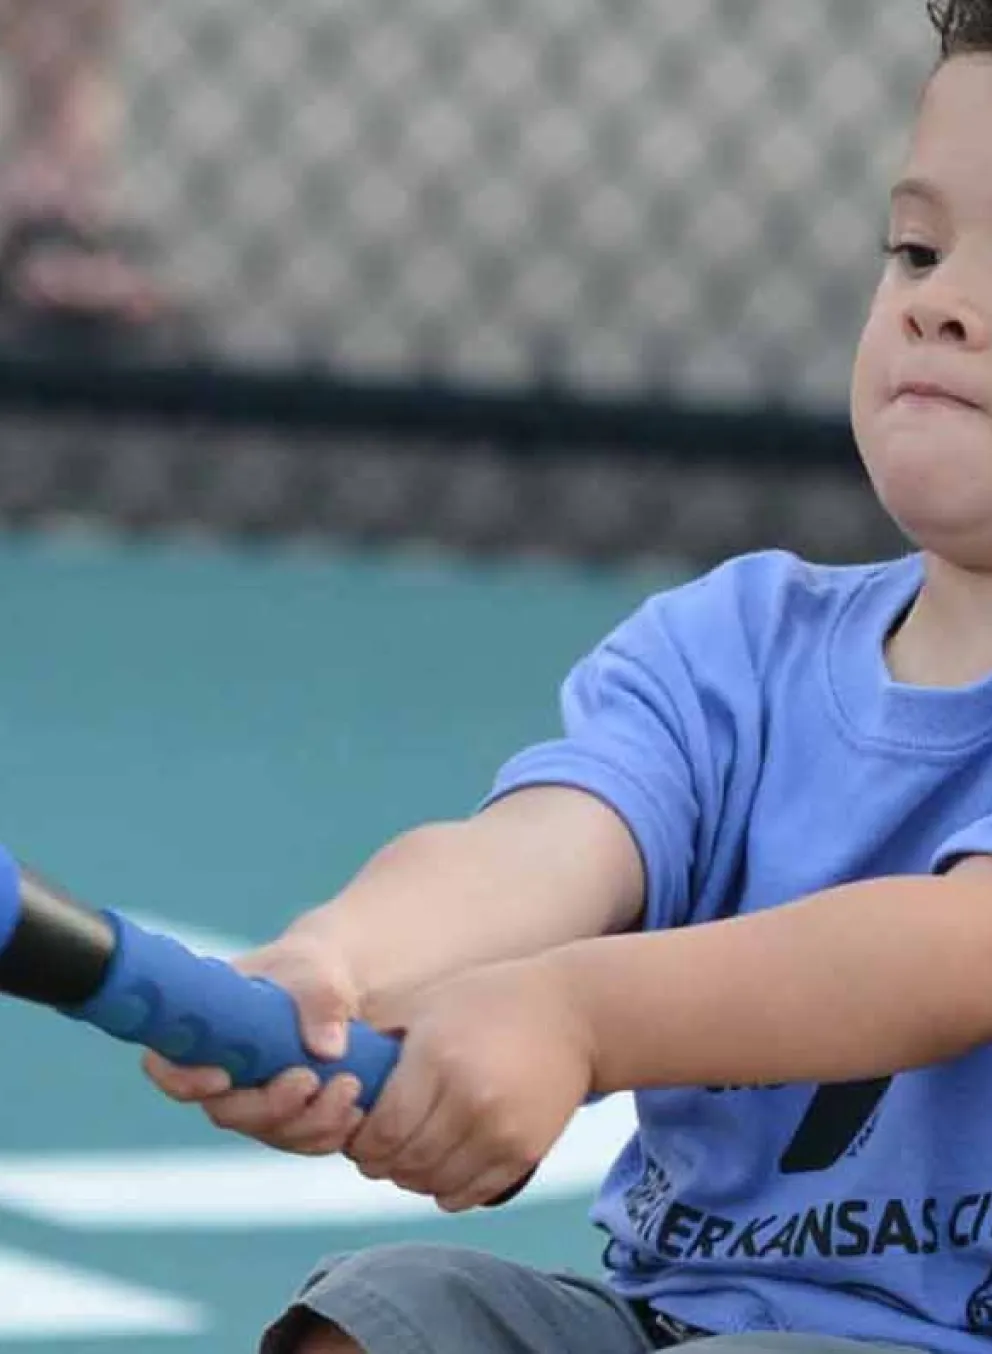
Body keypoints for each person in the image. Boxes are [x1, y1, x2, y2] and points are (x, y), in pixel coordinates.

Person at [147, 2, 992, 1351]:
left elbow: (950, 954)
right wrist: (345, 965)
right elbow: (546, 848)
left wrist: (574, 1014)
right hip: (680, 1320)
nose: (941, 303)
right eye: (918, 248)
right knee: (391, 1317)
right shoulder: (736, 644)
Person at [0, 0, 169, 334]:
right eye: (37, 23)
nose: (47, 41)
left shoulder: (94, 111)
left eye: (70, 28)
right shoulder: (22, 114)